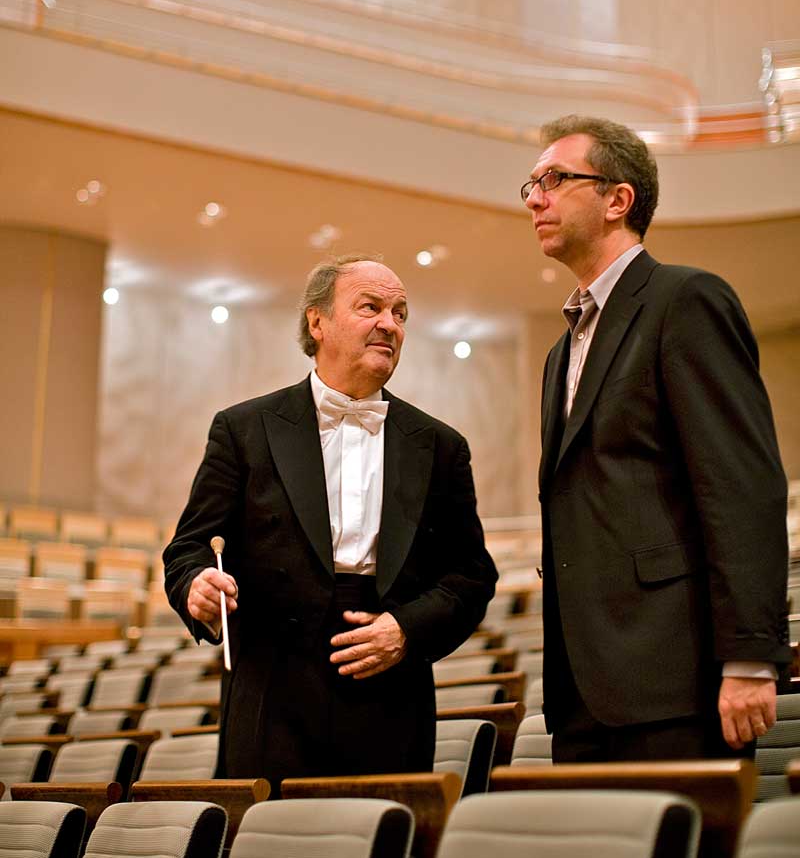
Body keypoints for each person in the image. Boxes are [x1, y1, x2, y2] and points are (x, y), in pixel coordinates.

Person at [163, 255, 497, 790]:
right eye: (370, 307)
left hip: (390, 694)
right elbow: (189, 550)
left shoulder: (441, 447)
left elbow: (472, 576)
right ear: (317, 323)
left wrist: (406, 629)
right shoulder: (243, 428)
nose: (390, 323)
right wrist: (197, 585)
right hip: (272, 693)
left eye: (400, 312)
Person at [523, 115, 791, 762]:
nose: (535, 197)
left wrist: (750, 657)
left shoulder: (684, 300)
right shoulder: (562, 351)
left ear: (619, 200)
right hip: (584, 692)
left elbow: (740, 485)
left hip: (674, 679)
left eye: (556, 179)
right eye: (530, 184)